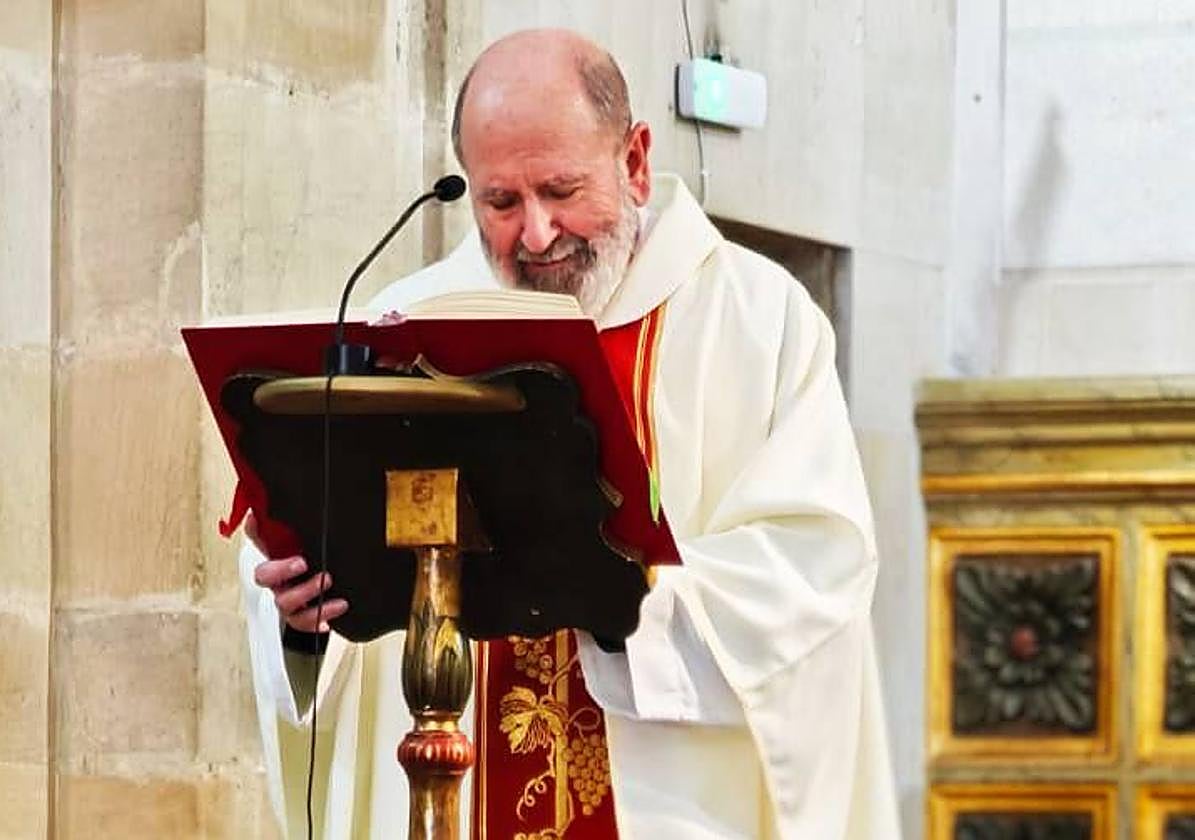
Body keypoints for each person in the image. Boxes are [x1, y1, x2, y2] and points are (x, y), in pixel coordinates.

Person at [241, 28, 900, 839]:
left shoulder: (758, 323)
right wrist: (303, 619)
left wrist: (629, 596)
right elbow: (307, 556)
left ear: (634, 161)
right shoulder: (403, 328)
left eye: (559, 190)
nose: (537, 235)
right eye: (500, 202)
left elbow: (816, 569)